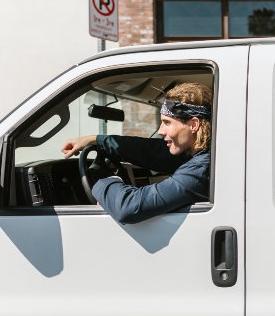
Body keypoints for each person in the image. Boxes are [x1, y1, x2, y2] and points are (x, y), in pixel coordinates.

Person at [60, 83, 212, 224]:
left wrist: (105, 182)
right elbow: (149, 150)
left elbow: (129, 207)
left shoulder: (200, 170)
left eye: (167, 123)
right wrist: (95, 140)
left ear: (194, 125)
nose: (160, 131)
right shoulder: (198, 154)